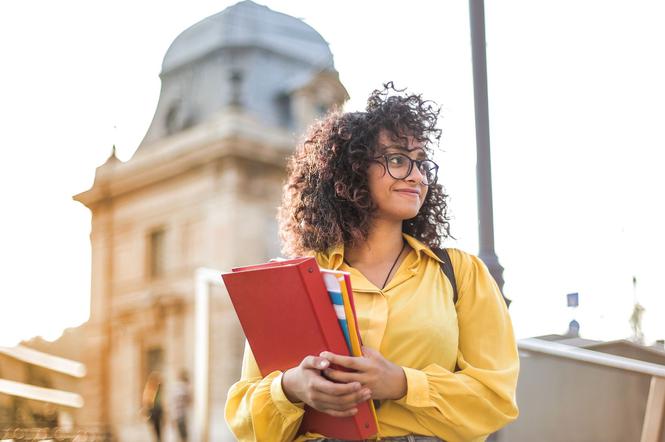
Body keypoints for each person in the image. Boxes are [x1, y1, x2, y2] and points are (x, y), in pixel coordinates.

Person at [225, 83, 519, 441]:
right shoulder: (297, 281)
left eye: (421, 163)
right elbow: (244, 419)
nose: (416, 175)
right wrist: (290, 388)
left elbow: (496, 399)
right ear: (352, 171)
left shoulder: (461, 274)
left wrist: (401, 383)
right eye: (397, 159)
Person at [142, 371, 164, 442]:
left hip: (158, 410)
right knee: (155, 427)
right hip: (153, 409)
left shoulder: (158, 388)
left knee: (158, 427)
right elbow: (147, 400)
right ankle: (157, 439)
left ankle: (158, 439)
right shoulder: (149, 388)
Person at [172, 370, 191, 442]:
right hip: (181, 415)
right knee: (183, 436)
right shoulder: (183, 388)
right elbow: (188, 400)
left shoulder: (176, 387)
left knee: (179, 436)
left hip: (176, 415)